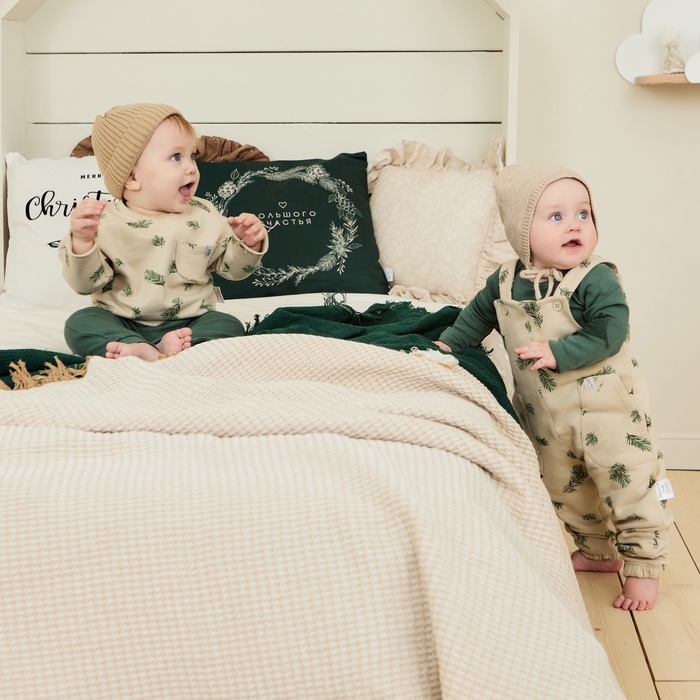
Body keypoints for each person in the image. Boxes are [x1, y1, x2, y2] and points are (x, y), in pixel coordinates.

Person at [435, 164, 673, 611]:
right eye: (557, 217)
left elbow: (610, 331)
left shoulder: (595, 277)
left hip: (609, 415)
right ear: (520, 231)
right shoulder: (504, 281)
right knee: (566, 488)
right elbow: (474, 320)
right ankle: (598, 551)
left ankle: (643, 567)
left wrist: (558, 352)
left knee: (629, 482)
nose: (575, 225)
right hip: (546, 418)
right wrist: (446, 347)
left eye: (584, 213)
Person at [59, 103, 268, 361]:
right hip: (119, 319)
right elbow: (85, 285)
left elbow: (234, 271)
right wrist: (82, 242)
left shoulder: (204, 214)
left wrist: (247, 244)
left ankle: (170, 347)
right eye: (176, 157)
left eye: (192, 156)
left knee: (228, 324)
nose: (191, 167)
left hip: (190, 322)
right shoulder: (103, 223)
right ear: (132, 177)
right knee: (79, 324)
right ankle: (136, 345)